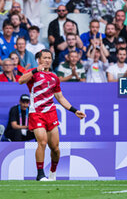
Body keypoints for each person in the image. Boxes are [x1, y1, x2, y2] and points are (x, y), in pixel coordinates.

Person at [18, 49, 86, 181]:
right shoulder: (34, 73)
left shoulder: (54, 77)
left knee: (55, 148)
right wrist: (35, 70)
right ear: (39, 60)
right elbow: (21, 80)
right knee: (42, 142)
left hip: (51, 114)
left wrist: (74, 110)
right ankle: (40, 175)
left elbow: (60, 97)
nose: (47, 60)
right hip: (36, 113)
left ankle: (52, 173)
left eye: (49, 58)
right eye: (45, 57)